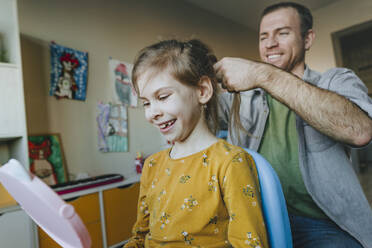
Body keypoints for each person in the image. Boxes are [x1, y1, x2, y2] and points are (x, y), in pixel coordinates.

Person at [214, 2, 372, 248]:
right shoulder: (239, 98)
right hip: (255, 218)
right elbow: (198, 114)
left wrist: (262, 74)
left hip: (323, 224)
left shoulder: (336, 80)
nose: (270, 44)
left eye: (282, 33)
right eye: (264, 36)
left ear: (307, 39)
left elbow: (360, 130)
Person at [124, 39, 268, 247]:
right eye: (146, 103)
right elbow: (140, 237)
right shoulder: (152, 165)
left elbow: (249, 244)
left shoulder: (230, 162)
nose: (152, 113)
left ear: (202, 91)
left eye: (163, 97)